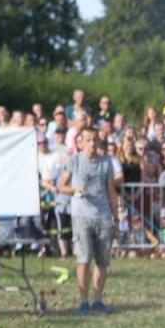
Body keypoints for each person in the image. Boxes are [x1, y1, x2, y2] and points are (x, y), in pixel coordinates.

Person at [59, 129, 121, 314]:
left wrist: (115, 216)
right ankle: (83, 301)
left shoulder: (106, 163)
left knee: (102, 262)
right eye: (88, 140)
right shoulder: (74, 161)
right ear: (81, 142)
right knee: (84, 259)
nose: (92, 143)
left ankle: (98, 300)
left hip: (102, 216)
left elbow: (111, 191)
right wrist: (74, 189)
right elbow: (61, 186)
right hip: (81, 216)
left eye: (95, 139)